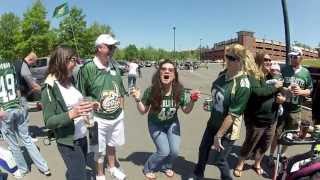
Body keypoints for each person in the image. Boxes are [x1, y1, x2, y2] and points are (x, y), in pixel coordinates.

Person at [190, 44, 253, 180]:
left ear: (241, 61)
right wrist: (211, 103)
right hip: (212, 123)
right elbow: (217, 93)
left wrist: (218, 136)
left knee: (220, 160)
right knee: (203, 150)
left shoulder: (243, 85)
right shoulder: (222, 74)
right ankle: (198, 173)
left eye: (232, 58)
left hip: (227, 131)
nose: (227, 60)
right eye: (227, 56)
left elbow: (232, 115)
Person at [130, 59, 200, 179]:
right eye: (163, 69)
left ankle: (166, 166)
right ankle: (148, 168)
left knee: (174, 151)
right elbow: (143, 111)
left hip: (172, 123)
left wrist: (193, 100)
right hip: (155, 124)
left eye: (170, 70)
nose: (167, 71)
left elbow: (186, 111)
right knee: (163, 151)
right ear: (159, 73)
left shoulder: (180, 91)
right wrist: (137, 99)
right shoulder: (151, 90)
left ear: (174, 75)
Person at [77, 34, 127, 180]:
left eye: (114, 47)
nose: (113, 49)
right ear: (99, 48)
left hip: (116, 117)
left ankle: (112, 167)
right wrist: (88, 122)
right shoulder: (88, 68)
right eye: (110, 47)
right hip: (97, 119)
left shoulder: (114, 66)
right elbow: (81, 95)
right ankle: (100, 175)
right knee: (98, 150)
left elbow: (121, 91)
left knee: (112, 145)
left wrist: (121, 111)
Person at [41, 45, 92, 180]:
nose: (75, 64)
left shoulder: (70, 80)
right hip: (69, 143)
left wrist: (91, 105)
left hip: (81, 137)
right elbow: (49, 121)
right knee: (80, 176)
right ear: (62, 61)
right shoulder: (49, 86)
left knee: (78, 172)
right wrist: (72, 114)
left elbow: (77, 102)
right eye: (73, 60)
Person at [233, 52, 285, 177]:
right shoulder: (253, 76)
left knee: (265, 144)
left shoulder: (270, 77)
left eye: (270, 60)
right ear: (259, 61)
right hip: (256, 119)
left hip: (271, 119)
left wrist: (280, 97)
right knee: (250, 143)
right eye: (266, 59)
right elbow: (258, 92)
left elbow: (278, 92)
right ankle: (240, 164)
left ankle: (257, 163)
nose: (269, 62)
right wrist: (275, 88)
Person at [0, 60, 50, 179]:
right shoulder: (10, 65)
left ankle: (23, 169)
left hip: (5, 110)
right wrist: (20, 105)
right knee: (26, 138)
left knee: (13, 144)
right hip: (17, 105)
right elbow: (17, 87)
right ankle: (44, 167)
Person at [269, 46, 313, 160]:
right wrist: (284, 90)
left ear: (301, 57)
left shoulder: (305, 73)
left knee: (290, 136)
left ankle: (282, 154)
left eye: (294, 56)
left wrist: (301, 91)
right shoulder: (284, 69)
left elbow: (310, 90)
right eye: (290, 56)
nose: (292, 58)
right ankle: (270, 155)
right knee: (277, 134)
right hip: (282, 108)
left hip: (296, 110)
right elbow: (277, 85)